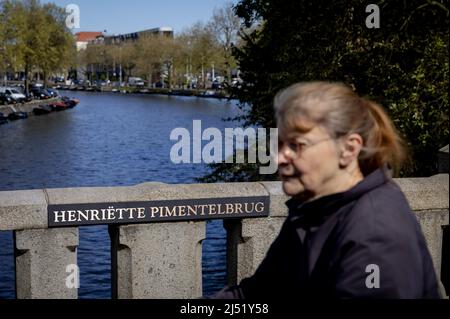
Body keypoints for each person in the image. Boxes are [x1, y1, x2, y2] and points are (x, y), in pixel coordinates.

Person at [211, 81, 440, 299]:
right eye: (278, 144)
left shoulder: (375, 235)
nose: (279, 157)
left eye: (296, 145)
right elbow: (257, 295)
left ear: (349, 149)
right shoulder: (315, 209)